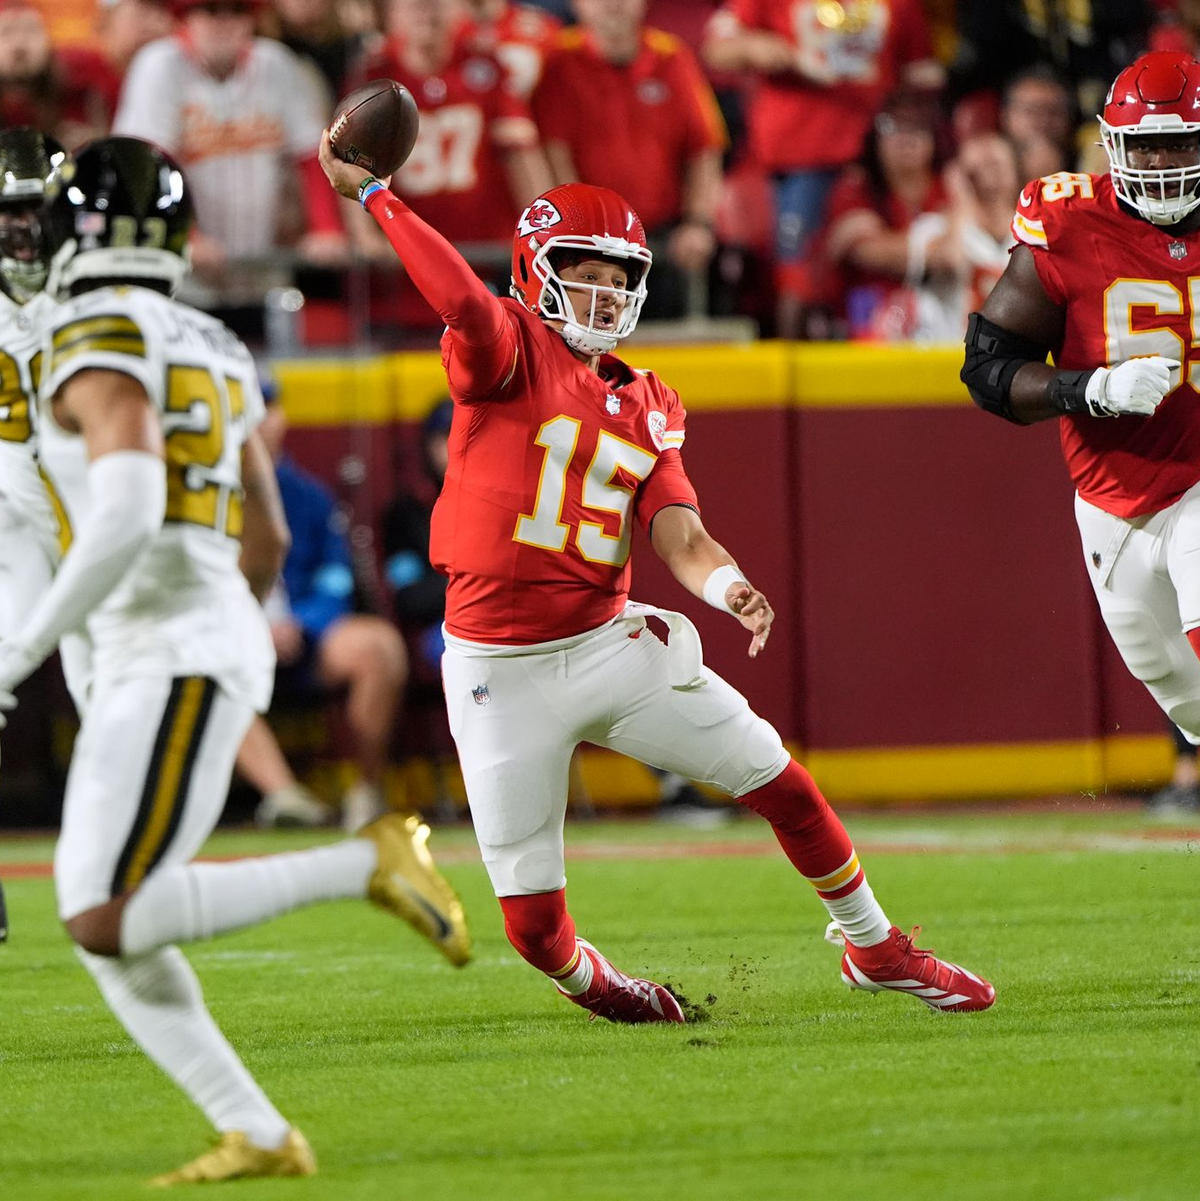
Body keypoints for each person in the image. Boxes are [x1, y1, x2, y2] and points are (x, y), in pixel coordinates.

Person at [319, 136, 996, 1023]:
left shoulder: (649, 400)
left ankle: (875, 945)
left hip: (608, 644)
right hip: (497, 667)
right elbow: (459, 300)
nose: (603, 293)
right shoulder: (507, 346)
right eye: (582, 271)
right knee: (532, 931)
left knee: (783, 783)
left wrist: (728, 586)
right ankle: (598, 983)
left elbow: (677, 529)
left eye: (617, 276)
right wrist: (376, 194)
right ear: (533, 268)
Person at [0, 136, 469, 1184]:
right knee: (104, 915)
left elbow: (119, 513)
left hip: (165, 650)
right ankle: (256, 1129)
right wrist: (220, 605)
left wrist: (27, 645)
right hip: (190, 638)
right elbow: (265, 527)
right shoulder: (211, 340)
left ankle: (365, 860)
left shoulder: (94, 331)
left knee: (100, 907)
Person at [962, 51, 1200, 770]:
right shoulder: (1068, 220)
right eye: (1145, 144)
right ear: (1110, 144)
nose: (1160, 162)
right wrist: (1087, 389)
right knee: (1177, 688)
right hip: (1110, 497)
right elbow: (986, 370)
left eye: (1179, 142)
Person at [702, 0, 942, 337]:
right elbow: (716, 48)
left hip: (878, 152)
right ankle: (793, 366)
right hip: (801, 155)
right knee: (799, 275)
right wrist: (756, 46)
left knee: (890, 264)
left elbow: (922, 69)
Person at [113, 0, 348, 338]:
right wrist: (185, 235)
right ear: (187, 19)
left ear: (251, 20)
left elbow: (312, 154)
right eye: (210, 11)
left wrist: (326, 228)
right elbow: (145, 162)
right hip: (185, 284)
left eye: (235, 11)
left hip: (263, 275)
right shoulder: (159, 65)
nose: (223, 22)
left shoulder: (276, 64)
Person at [238, 386, 410, 832]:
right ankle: (285, 797)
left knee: (379, 646)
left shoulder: (310, 496)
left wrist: (303, 623)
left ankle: (364, 793)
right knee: (202, 663)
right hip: (233, 642)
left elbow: (336, 576)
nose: (258, 422)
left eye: (266, 408)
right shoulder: (200, 492)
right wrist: (252, 630)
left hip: (304, 639)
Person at [532, 0, 725, 320]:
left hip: (664, 243)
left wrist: (698, 223)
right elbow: (554, 155)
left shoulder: (672, 56)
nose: (612, 5)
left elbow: (704, 148)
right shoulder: (558, 59)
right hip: (588, 244)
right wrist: (575, 232)